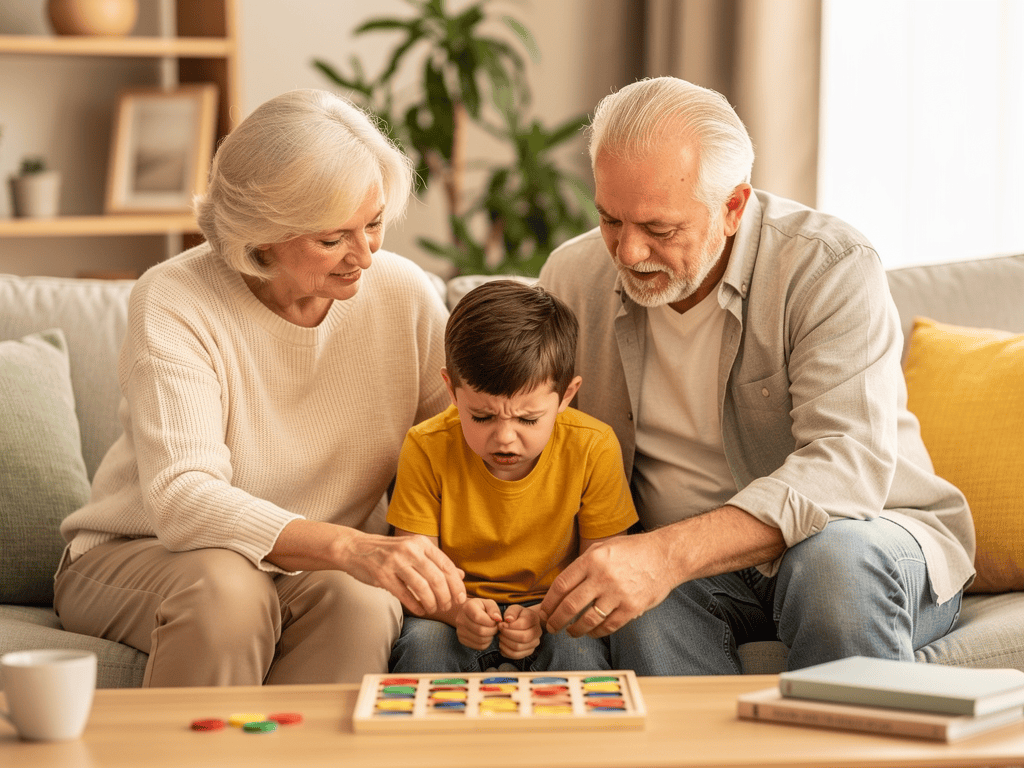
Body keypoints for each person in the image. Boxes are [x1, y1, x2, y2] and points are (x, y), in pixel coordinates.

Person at [536, 76, 975, 674]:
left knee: (833, 568)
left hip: (869, 537)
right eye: (611, 220)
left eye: (660, 230)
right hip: (698, 572)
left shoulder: (828, 266)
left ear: (734, 206)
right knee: (634, 608)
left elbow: (845, 469)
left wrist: (665, 554)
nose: (629, 253)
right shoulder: (572, 277)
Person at [53, 89, 467, 687]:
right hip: (143, 553)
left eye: (373, 224)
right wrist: (350, 547)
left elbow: (458, 446)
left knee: (363, 602)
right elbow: (184, 498)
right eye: (332, 239)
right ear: (261, 234)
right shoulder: (176, 297)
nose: (364, 256)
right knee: (230, 593)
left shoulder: (404, 295)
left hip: (311, 567)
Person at [387, 280, 638, 673]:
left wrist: (541, 616)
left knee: (578, 654)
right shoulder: (426, 445)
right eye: (482, 417)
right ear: (452, 392)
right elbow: (415, 574)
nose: (505, 438)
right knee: (423, 647)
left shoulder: (593, 446)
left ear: (566, 396)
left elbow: (602, 570)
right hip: (453, 612)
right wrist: (459, 612)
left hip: (556, 608)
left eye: (528, 419)